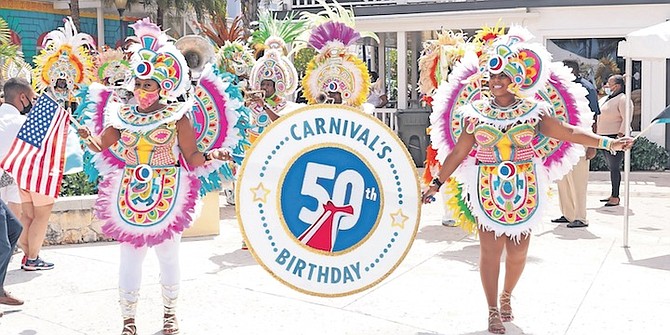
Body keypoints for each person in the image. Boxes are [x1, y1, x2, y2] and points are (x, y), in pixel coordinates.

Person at [422, 27, 633, 334]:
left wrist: (608, 143)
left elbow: (569, 132)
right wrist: (436, 183)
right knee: (490, 252)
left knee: (519, 252)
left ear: (517, 78)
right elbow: (458, 152)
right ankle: (492, 309)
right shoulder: (475, 113)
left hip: (526, 188)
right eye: (492, 77)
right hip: (487, 188)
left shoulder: (534, 113)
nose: (496, 82)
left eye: (503, 76)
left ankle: (507, 295)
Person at [77, 18, 235, 335]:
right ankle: (128, 321)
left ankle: (169, 316)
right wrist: (86, 137)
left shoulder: (179, 117)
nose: (140, 90)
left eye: (147, 85)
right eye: (138, 84)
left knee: (168, 255)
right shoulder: (121, 115)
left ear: (163, 86)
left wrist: (213, 154)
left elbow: (191, 157)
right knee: (130, 256)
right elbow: (103, 145)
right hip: (130, 189)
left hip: (168, 189)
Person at [552, 60, 601, 228]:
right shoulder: (560, 88)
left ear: (571, 70)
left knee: (578, 180)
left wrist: (593, 144)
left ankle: (581, 216)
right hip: (561, 141)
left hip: (580, 140)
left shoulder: (586, 87)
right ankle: (568, 213)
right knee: (563, 179)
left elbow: (595, 117)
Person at [596, 74, 633, 207]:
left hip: (615, 137)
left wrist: (620, 137)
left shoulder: (623, 99)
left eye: (609, 83)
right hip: (604, 136)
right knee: (610, 167)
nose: (606, 86)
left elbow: (626, 118)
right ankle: (613, 193)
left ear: (617, 86)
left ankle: (615, 196)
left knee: (614, 168)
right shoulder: (607, 98)